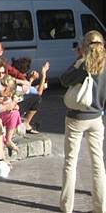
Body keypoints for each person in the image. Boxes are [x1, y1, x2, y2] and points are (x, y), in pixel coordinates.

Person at [59, 30, 106, 213]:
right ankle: (100, 207)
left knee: (71, 162)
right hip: (96, 118)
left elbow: (64, 80)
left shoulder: (83, 64)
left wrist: (78, 58)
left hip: (76, 118)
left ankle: (66, 206)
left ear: (84, 46)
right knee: (98, 163)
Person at [0, 41, 42, 134]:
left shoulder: (3, 63)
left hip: (8, 95)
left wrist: (24, 82)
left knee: (36, 98)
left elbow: (16, 74)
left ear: (1, 52)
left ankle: (25, 124)